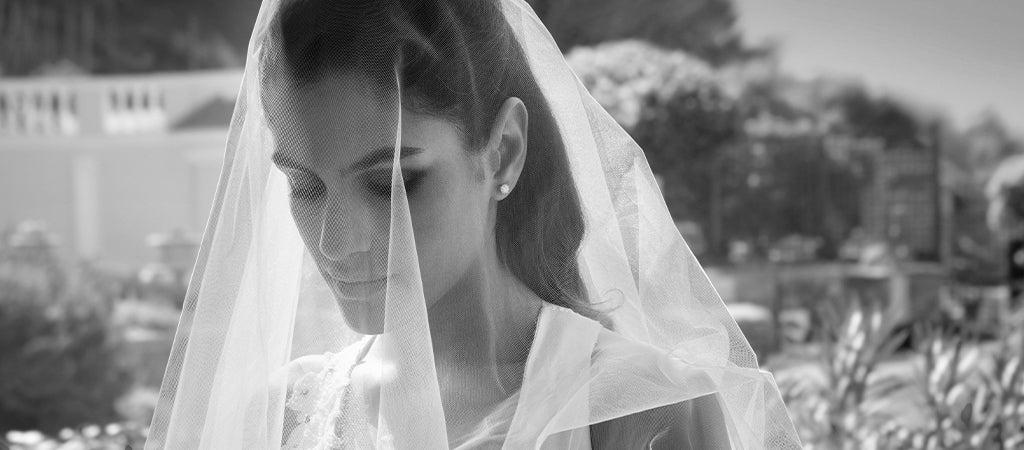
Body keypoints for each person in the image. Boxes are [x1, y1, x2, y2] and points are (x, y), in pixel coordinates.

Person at [145, 0, 801, 448]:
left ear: (504, 151)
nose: (335, 241)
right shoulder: (289, 416)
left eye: (395, 183)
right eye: (304, 186)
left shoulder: (644, 411)